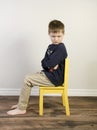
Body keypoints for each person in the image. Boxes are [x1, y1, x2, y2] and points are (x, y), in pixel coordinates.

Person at [7, 19, 68, 115]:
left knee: (28, 79)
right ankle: (21, 104)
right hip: (49, 74)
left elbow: (49, 63)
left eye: (59, 36)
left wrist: (50, 64)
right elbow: (44, 63)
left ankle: (22, 108)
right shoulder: (50, 47)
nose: (56, 39)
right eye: (53, 36)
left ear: (63, 34)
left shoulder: (61, 48)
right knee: (28, 77)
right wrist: (50, 65)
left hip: (54, 78)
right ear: (49, 34)